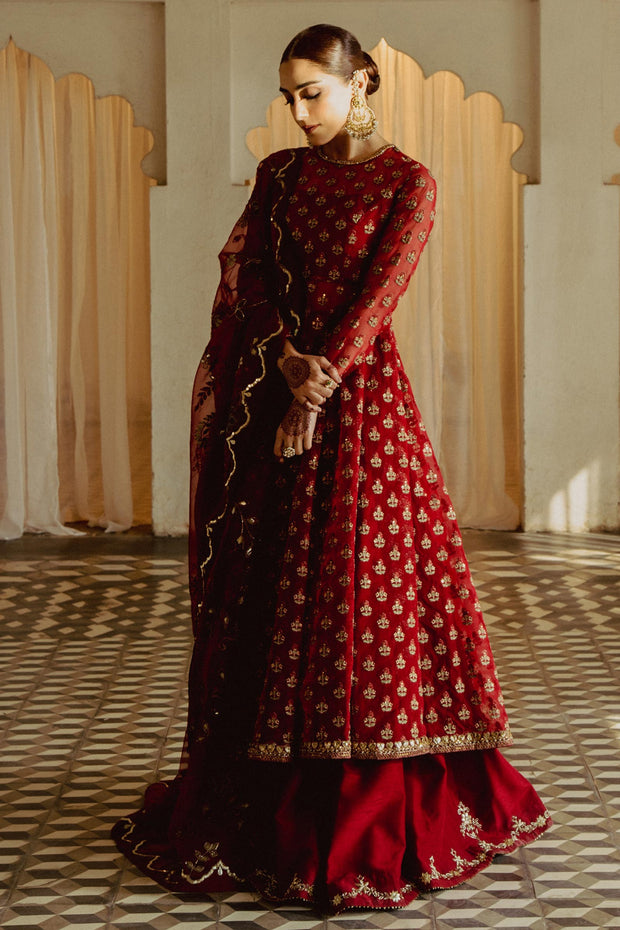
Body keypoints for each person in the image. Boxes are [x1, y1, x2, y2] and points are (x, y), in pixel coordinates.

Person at [112, 23, 551, 911]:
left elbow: (381, 291)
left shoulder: (408, 183)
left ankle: (372, 796)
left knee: (368, 595)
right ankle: (267, 787)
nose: (298, 110)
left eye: (313, 91)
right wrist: (283, 366)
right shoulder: (280, 177)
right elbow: (256, 277)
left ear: (364, 86)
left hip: (365, 409)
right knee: (275, 588)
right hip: (284, 385)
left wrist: (318, 389)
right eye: (289, 95)